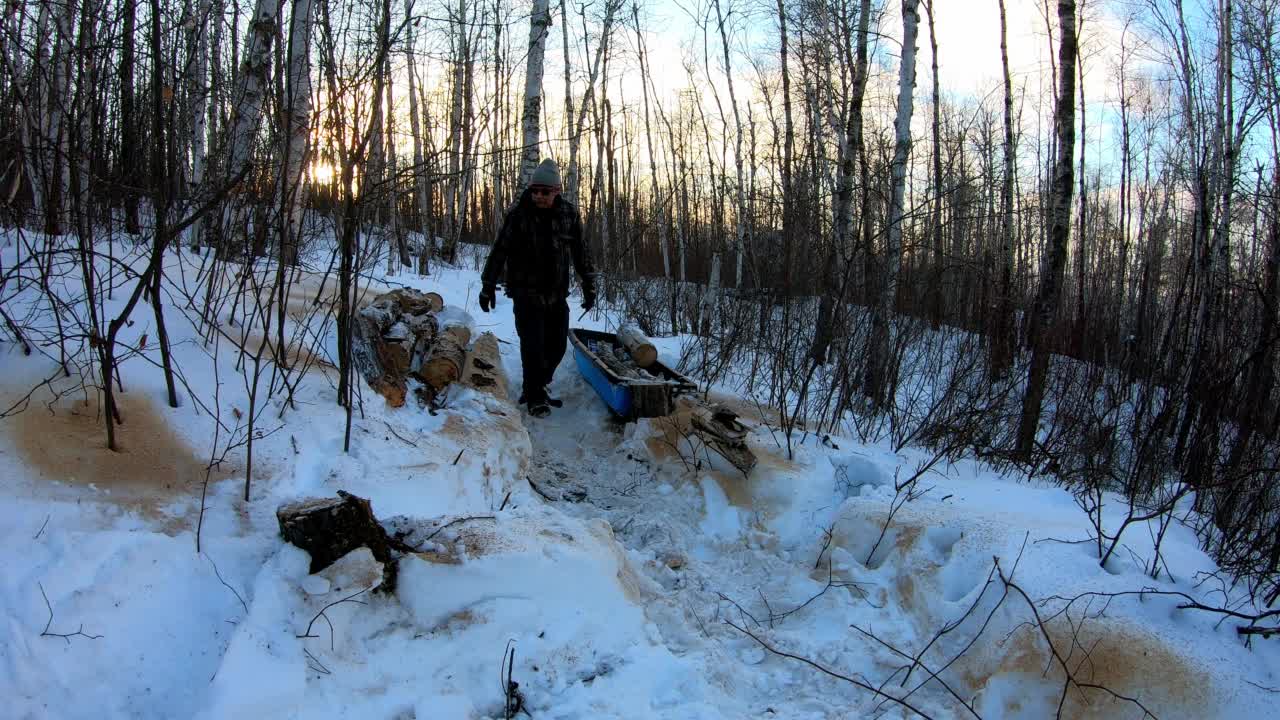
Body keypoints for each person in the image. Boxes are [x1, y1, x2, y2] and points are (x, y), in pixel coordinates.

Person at [478, 158, 597, 417]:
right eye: (534, 191)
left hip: (556, 293)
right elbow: (500, 250)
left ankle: (537, 384)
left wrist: (589, 284)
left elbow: (580, 252)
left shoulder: (569, 214)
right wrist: (488, 284)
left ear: (556, 191)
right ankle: (534, 396)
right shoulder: (518, 215)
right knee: (532, 345)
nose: (538, 197)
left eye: (544, 192)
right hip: (525, 292)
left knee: (556, 347)